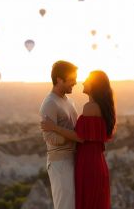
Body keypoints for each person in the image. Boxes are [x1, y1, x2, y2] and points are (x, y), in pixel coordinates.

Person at [41, 70, 116, 209]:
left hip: (88, 162)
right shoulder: (99, 107)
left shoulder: (90, 107)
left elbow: (80, 137)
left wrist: (54, 127)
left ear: (94, 85)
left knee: (88, 202)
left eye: (87, 80)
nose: (82, 82)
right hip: (95, 161)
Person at [39, 60, 78, 209]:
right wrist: (74, 137)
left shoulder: (69, 101)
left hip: (73, 159)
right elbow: (49, 137)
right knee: (65, 206)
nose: (75, 83)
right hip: (60, 163)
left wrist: (73, 135)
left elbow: (74, 130)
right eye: (72, 79)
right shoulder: (50, 103)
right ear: (59, 80)